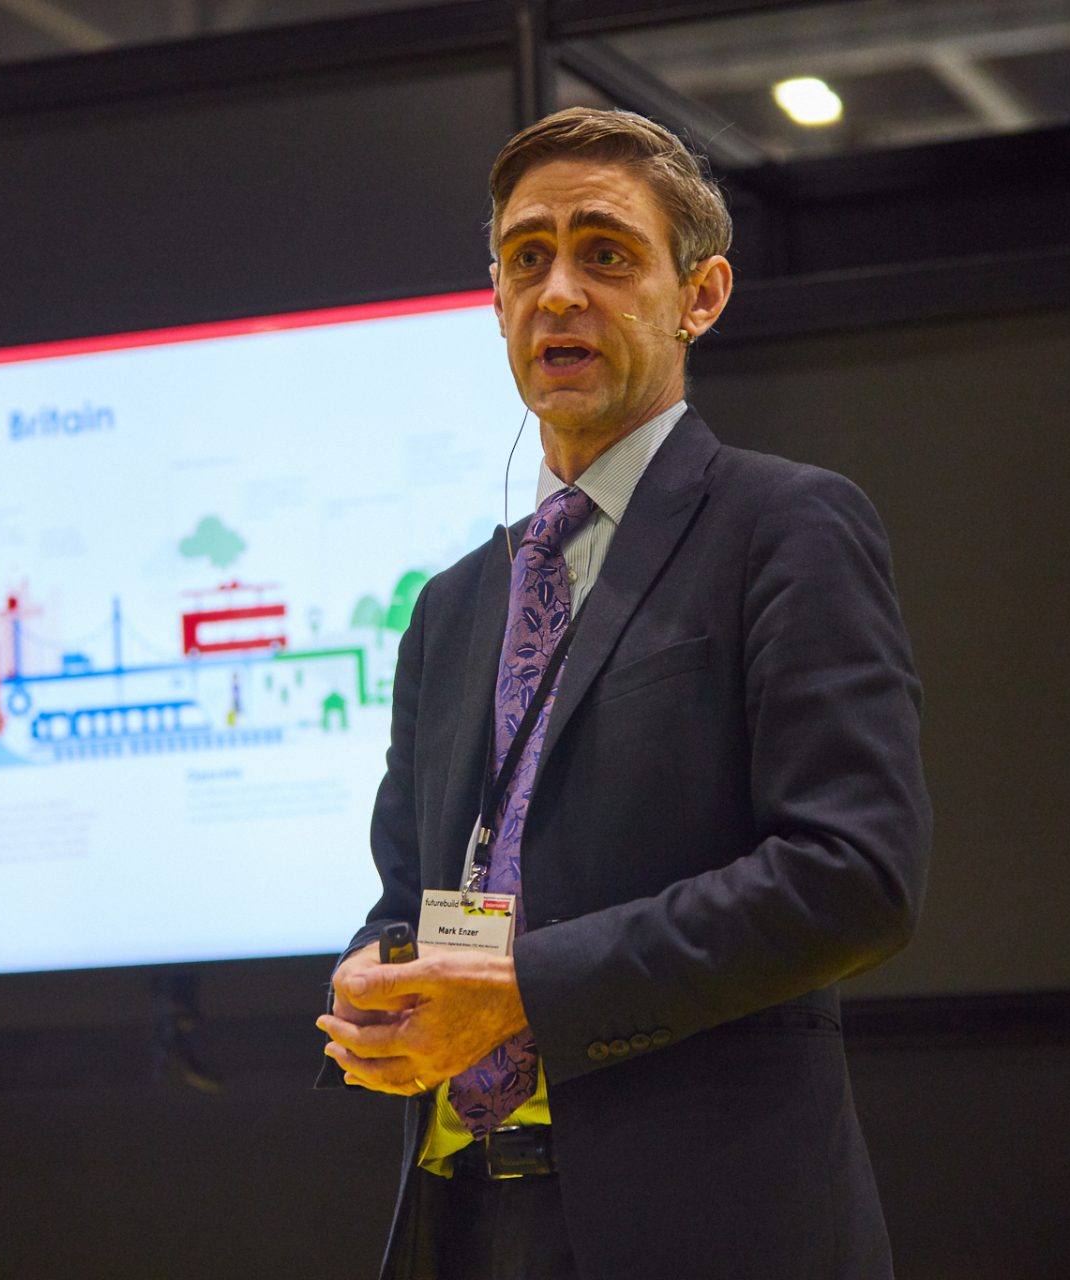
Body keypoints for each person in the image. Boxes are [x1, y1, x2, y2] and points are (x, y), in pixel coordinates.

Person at [315, 107, 932, 1280]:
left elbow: (855, 874)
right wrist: (376, 971)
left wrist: (526, 991)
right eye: (527, 258)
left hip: (701, 1224)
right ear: (497, 300)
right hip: (460, 1218)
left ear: (700, 294)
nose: (559, 292)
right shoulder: (452, 605)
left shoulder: (784, 527)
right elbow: (410, 892)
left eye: (605, 252)